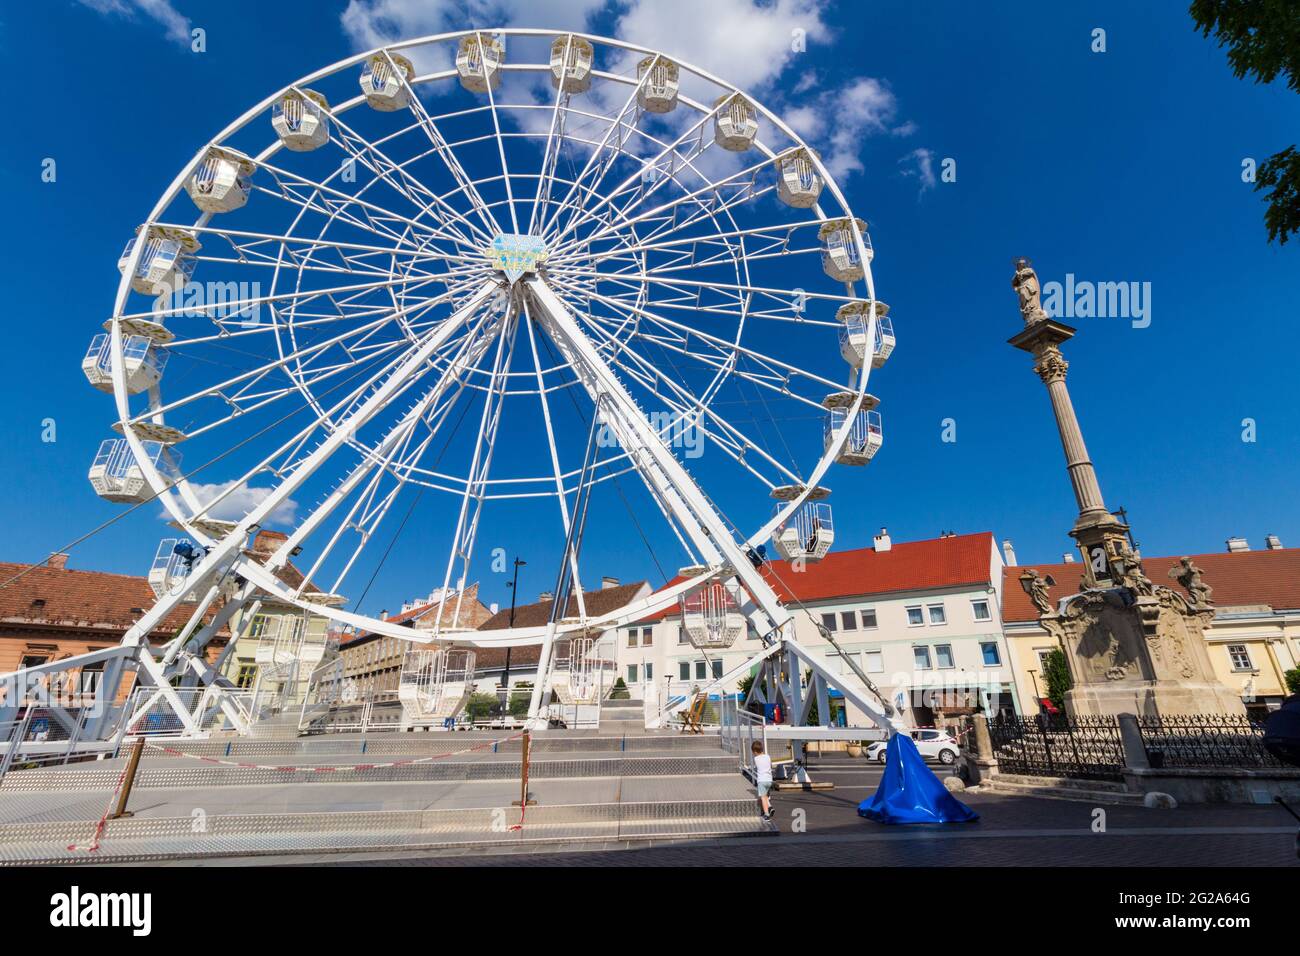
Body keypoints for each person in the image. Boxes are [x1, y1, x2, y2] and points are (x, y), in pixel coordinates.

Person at [752, 740, 773, 819]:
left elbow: (756, 767)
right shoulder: (768, 756)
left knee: (763, 798)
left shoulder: (756, 759)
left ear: (755, 752)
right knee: (766, 796)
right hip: (769, 780)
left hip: (761, 781)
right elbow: (770, 766)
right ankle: (770, 807)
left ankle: (766, 814)